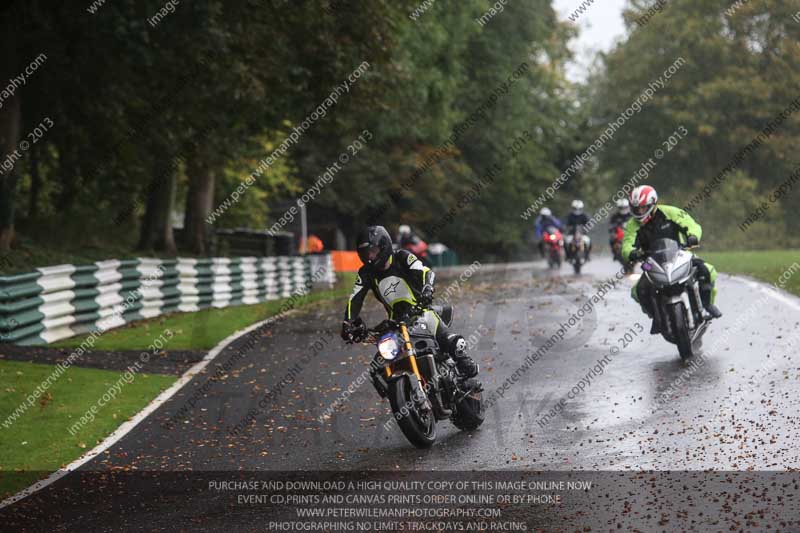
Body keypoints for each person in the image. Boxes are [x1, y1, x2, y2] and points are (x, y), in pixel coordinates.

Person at [341, 225, 478, 378]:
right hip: (397, 324)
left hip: (421, 310)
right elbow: (356, 297)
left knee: (447, 339)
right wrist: (348, 323)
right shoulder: (365, 272)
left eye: (373, 252)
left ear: (384, 246)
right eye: (366, 253)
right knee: (377, 368)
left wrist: (427, 289)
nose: (370, 257)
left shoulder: (402, 257)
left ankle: (464, 361)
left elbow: (426, 272)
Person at [622, 185, 722, 333]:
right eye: (636, 209)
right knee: (639, 290)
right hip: (650, 262)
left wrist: (693, 236)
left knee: (707, 271)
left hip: (680, 253)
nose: (639, 212)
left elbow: (691, 225)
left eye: (643, 208)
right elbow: (626, 245)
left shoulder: (670, 212)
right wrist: (631, 253)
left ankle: (707, 305)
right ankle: (656, 317)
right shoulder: (632, 225)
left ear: (653, 204)